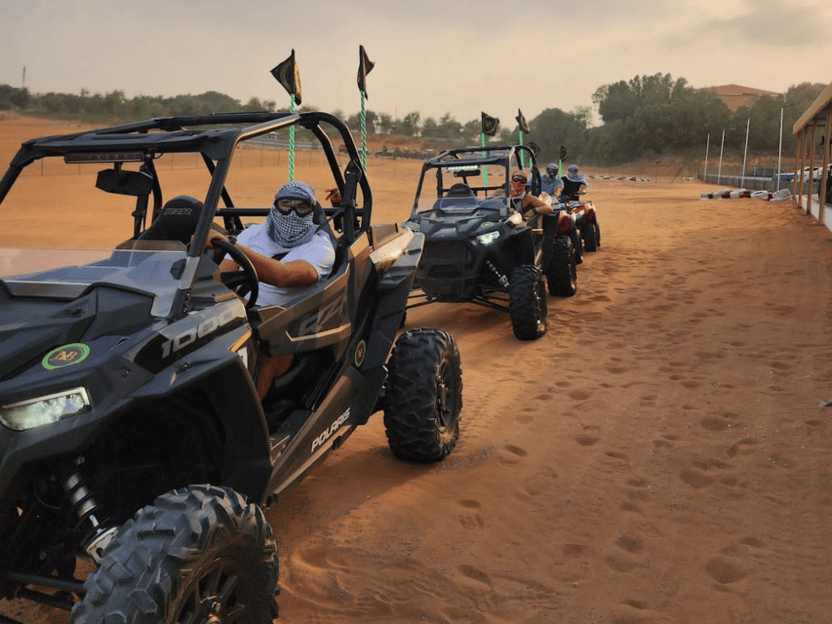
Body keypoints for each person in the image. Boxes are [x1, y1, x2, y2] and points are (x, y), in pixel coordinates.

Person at [204, 181, 336, 400]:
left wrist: (231, 245)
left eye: (301, 207)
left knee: (267, 341)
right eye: (286, 204)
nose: (292, 212)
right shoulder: (253, 234)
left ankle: (249, 419)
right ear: (275, 206)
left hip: (283, 325)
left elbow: (282, 276)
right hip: (238, 308)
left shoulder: (320, 248)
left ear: (311, 211)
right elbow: (222, 276)